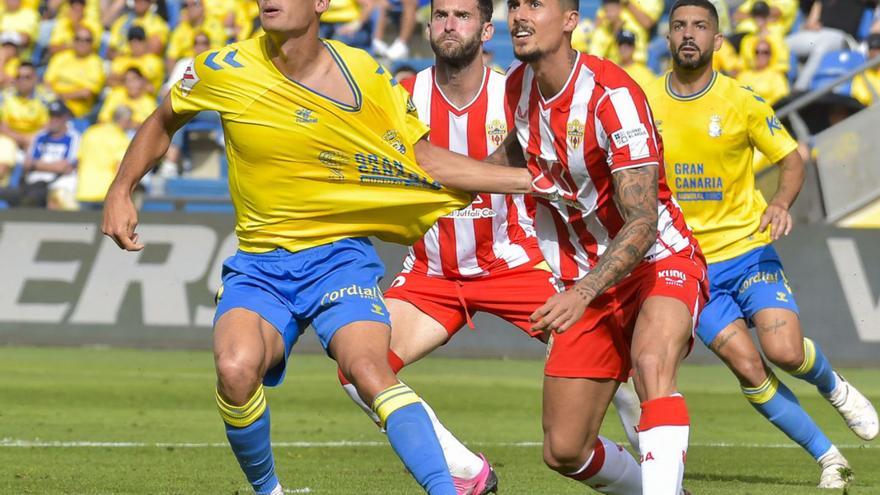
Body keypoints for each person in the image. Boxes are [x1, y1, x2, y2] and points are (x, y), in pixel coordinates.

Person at [100, 1, 531, 494]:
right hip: (261, 265)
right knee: (235, 370)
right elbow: (163, 120)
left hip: (337, 258)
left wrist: (528, 179)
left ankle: (446, 488)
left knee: (369, 369)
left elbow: (423, 159)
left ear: (322, 3)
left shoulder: (363, 73)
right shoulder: (223, 68)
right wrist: (121, 189)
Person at [431, 0, 708, 492]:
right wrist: (464, 179)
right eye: (515, 4)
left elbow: (642, 222)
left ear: (571, 20)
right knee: (564, 450)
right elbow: (519, 148)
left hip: (655, 260)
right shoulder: (517, 86)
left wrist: (580, 293)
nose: (520, 15)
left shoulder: (611, 95)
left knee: (651, 364)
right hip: (583, 276)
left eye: (536, 4)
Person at [645, 0, 879, 489]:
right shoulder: (645, 103)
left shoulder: (742, 101)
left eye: (700, 27)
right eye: (680, 26)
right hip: (690, 268)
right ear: (667, 39)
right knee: (748, 368)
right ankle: (829, 458)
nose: (689, 34)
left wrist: (781, 204)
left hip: (748, 249)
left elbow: (792, 161)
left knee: (785, 351)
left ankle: (834, 388)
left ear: (718, 41)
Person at [0, 100, 79, 208]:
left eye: (58, 116)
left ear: (66, 117)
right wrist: (52, 166)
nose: (54, 120)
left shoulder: (73, 137)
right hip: (32, 184)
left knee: (48, 198)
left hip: (56, 183)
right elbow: (27, 164)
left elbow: (65, 167)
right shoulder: (40, 136)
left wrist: (36, 165)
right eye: (51, 116)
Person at [44, 26, 104, 118]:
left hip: (74, 110)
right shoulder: (61, 57)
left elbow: (87, 93)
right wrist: (53, 97)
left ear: (92, 43)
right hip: (51, 101)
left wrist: (60, 97)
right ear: (73, 41)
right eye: (78, 39)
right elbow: (47, 82)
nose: (82, 43)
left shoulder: (95, 63)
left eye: (87, 40)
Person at [0, 62, 48, 151]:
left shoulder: (46, 99)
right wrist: (22, 139)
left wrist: (31, 140)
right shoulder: (4, 97)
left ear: (35, 79)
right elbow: (2, 127)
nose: (22, 80)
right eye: (18, 77)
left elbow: (47, 128)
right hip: (9, 139)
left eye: (27, 77)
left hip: (35, 141)